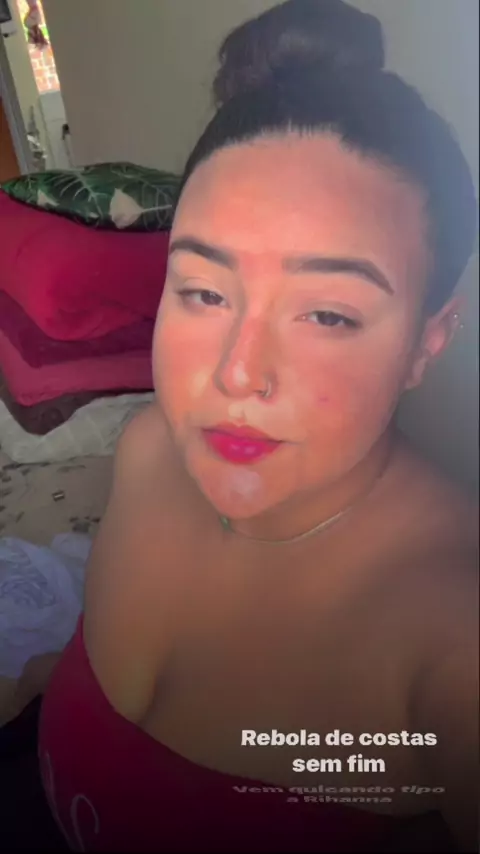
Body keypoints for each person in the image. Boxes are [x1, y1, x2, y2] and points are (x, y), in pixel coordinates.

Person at [13, 1, 479, 851]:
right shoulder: (150, 450)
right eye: (203, 292)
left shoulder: (456, 644)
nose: (236, 374)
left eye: (328, 315)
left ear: (426, 341)